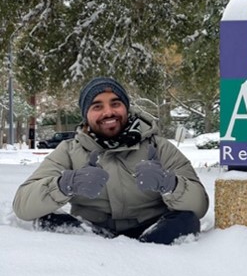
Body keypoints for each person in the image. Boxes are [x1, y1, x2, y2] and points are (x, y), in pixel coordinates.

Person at [12, 77, 209, 245]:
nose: (108, 112)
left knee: (186, 219)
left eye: (115, 104)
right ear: (86, 115)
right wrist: (64, 185)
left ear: (126, 108)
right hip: (91, 236)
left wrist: (170, 184)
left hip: (154, 234)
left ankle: (143, 258)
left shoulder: (159, 147)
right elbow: (23, 206)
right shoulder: (68, 151)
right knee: (47, 219)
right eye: (97, 106)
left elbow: (199, 206)